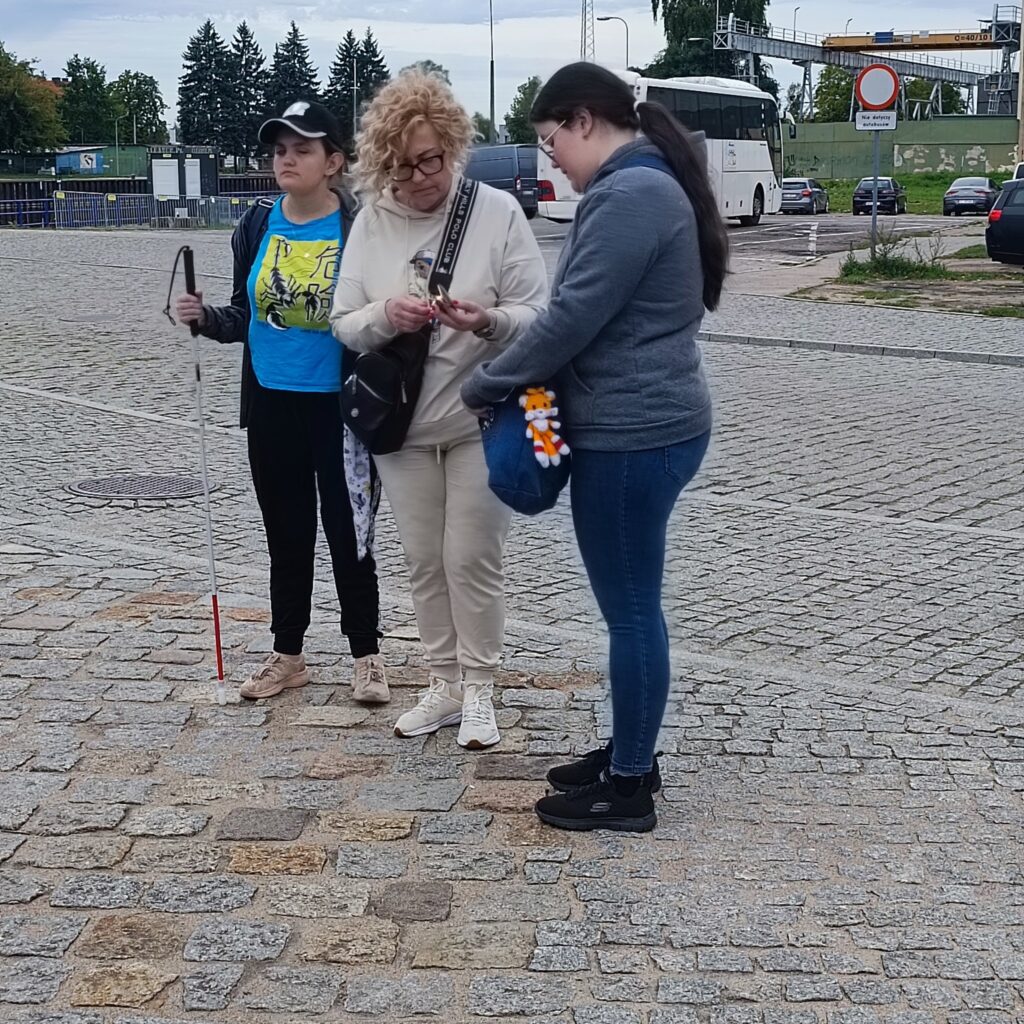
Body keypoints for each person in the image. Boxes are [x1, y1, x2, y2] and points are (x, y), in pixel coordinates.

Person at [461, 63, 728, 831]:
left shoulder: (633, 193)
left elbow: (571, 316)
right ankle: (629, 751)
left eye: (551, 143)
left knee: (632, 613)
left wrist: (486, 384)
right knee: (632, 606)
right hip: (642, 426)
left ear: (584, 120)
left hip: (634, 435)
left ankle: (630, 787)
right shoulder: (640, 184)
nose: (552, 163)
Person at [331, 71, 548, 750]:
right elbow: (343, 322)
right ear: (383, 166)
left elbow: (538, 314)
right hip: (401, 426)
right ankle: (444, 682)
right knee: (424, 559)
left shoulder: (497, 211)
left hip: (483, 418)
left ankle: (480, 687)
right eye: (405, 166)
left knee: (470, 555)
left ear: (453, 145)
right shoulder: (373, 221)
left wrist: (487, 321)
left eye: (433, 159)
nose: (423, 177)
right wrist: (385, 315)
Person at [175, 100, 388, 704]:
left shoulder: (360, 227)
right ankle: (288, 653)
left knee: (350, 532)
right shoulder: (255, 225)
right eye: (279, 150)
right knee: (286, 532)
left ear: (334, 161)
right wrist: (205, 318)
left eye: (302, 149)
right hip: (271, 400)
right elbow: (245, 315)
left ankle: (366, 654)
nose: (287, 159)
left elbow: (379, 316)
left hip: (341, 408)